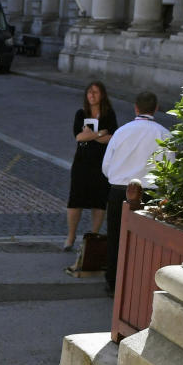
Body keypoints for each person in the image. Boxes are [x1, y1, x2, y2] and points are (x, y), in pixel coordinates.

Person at [102, 92, 172, 295]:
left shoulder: (122, 132)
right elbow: (170, 169)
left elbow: (107, 166)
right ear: (156, 108)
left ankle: (113, 282)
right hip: (149, 193)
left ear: (136, 108)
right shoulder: (163, 134)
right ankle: (140, 283)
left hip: (119, 190)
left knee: (115, 236)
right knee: (146, 241)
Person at [65, 81, 118, 251]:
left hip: (101, 163)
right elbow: (79, 137)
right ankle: (71, 236)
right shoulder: (81, 114)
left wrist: (91, 135)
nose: (92, 95)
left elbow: (113, 138)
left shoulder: (109, 115)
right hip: (82, 162)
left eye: (95, 92)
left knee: (99, 201)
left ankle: (92, 237)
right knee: (75, 200)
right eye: (89, 92)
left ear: (102, 95)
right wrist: (100, 133)